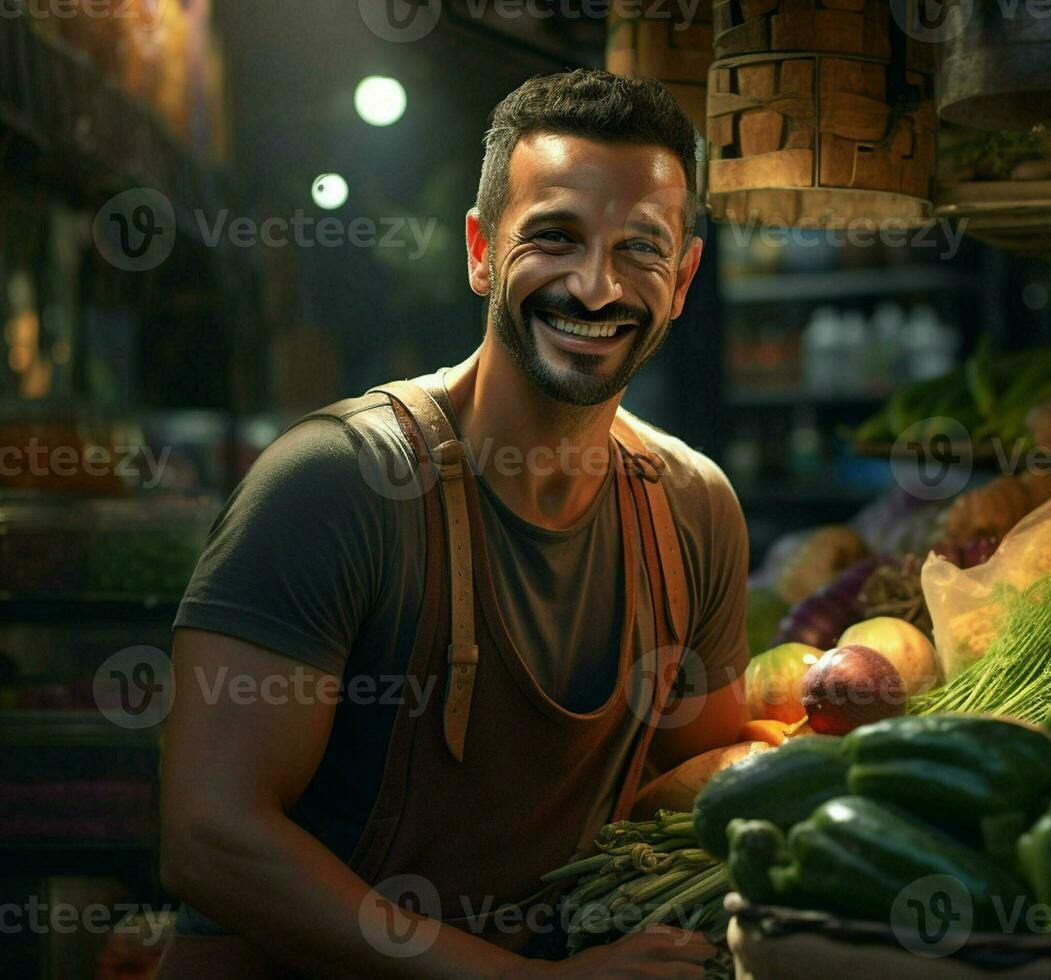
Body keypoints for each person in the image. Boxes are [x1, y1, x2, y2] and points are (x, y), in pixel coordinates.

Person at [156, 69, 750, 978]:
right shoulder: (339, 483)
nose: (596, 287)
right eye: (554, 237)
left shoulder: (694, 509)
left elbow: (692, 795)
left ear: (682, 280)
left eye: (641, 248)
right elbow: (210, 836)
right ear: (479, 249)